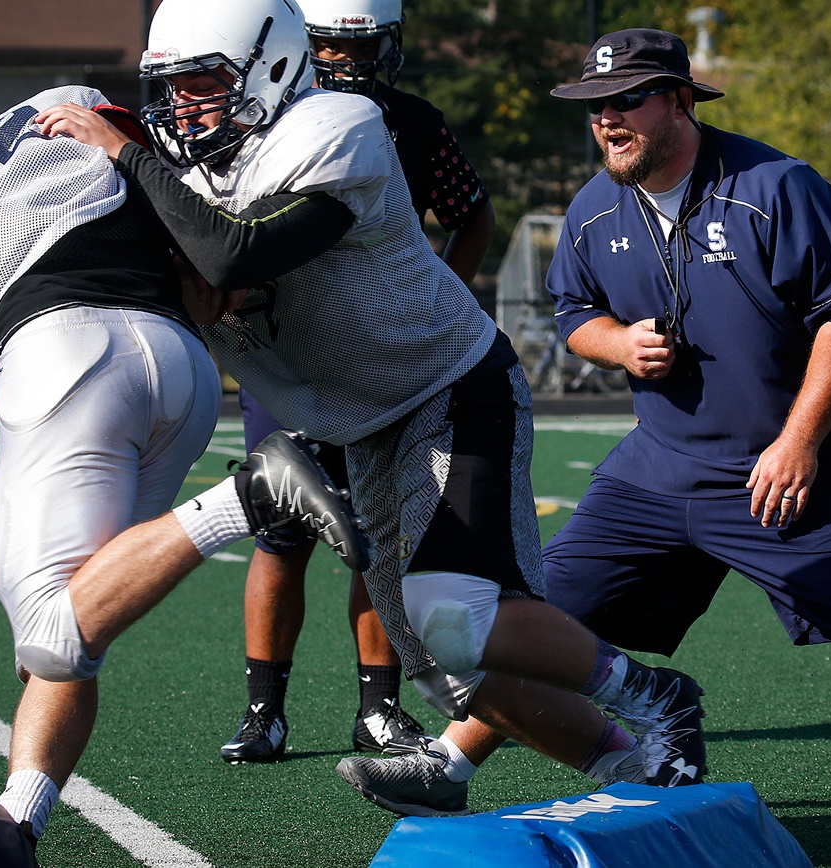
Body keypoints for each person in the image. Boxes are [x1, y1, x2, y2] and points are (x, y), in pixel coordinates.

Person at [335, 27, 831, 838]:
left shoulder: (779, 186)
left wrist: (799, 441)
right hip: (660, 467)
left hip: (783, 469)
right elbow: (574, 316)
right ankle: (452, 764)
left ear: (680, 99)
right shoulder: (594, 205)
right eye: (596, 105)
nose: (607, 118)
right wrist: (618, 344)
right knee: (527, 617)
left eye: (627, 99)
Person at [35, 0, 709, 816]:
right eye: (172, 90)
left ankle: (651, 694)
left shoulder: (336, 123)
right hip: (359, 420)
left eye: (204, 83)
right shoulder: (193, 174)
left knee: (452, 612)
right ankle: (632, 769)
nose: (185, 108)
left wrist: (127, 160)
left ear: (274, 67)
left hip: (448, 386)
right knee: (441, 667)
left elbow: (234, 251)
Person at [0, 88, 364, 847]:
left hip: (66, 359)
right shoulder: (58, 115)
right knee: (75, 633)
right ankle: (19, 825)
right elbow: (179, 218)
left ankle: (255, 492)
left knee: (49, 631)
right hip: (184, 365)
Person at [217, 0, 498, 765]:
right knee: (282, 536)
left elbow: (473, 214)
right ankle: (261, 711)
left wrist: (431, 299)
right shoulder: (266, 124)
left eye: (367, 45)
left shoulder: (412, 120)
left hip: (382, 365)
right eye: (334, 46)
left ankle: (379, 710)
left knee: (378, 541)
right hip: (290, 363)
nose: (351, 61)